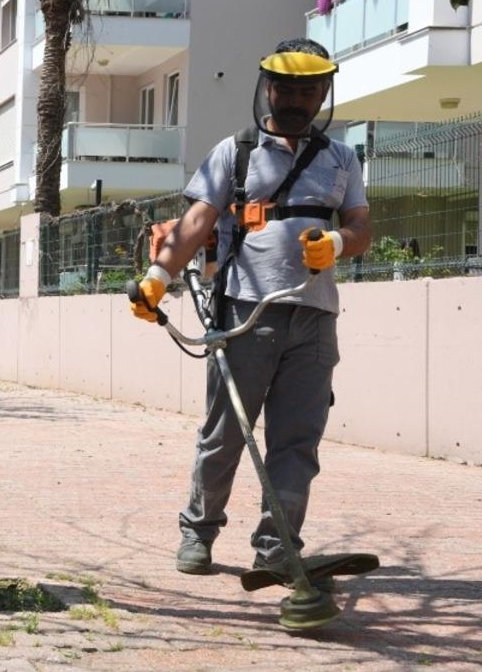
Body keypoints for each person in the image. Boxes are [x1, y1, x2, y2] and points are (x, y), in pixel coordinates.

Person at [129, 38, 371, 583]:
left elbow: (361, 227)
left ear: (323, 93)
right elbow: (196, 223)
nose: (294, 99)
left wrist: (337, 243)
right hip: (245, 315)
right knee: (225, 433)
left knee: (297, 442)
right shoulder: (235, 153)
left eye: (307, 90)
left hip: (314, 319)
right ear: (268, 87)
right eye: (285, 87)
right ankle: (198, 530)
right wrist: (157, 277)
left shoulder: (342, 159)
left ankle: (276, 547)